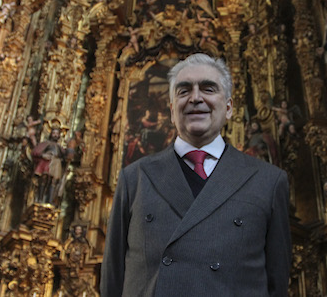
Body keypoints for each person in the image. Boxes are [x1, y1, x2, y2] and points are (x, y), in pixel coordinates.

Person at [101, 53, 291, 296]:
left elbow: (277, 284)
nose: (196, 98)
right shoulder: (134, 179)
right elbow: (112, 280)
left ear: (229, 108)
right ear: (172, 110)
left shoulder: (269, 182)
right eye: (183, 91)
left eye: (208, 89)